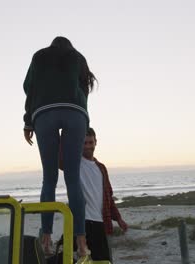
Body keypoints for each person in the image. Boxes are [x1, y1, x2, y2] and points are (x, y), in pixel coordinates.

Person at [23, 36, 96, 260]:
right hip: (75, 113)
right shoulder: (78, 58)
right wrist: (85, 122)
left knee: (49, 178)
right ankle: (82, 244)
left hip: (45, 112)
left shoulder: (39, 56)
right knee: (73, 179)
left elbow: (29, 88)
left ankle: (46, 239)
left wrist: (28, 122)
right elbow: (85, 91)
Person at [60, 127, 128, 262]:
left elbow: (109, 196)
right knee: (74, 260)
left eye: (90, 142)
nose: (88, 146)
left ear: (96, 142)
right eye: (84, 143)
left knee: (104, 260)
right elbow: (60, 157)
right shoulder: (74, 163)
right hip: (80, 223)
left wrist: (119, 219)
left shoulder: (101, 168)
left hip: (101, 223)